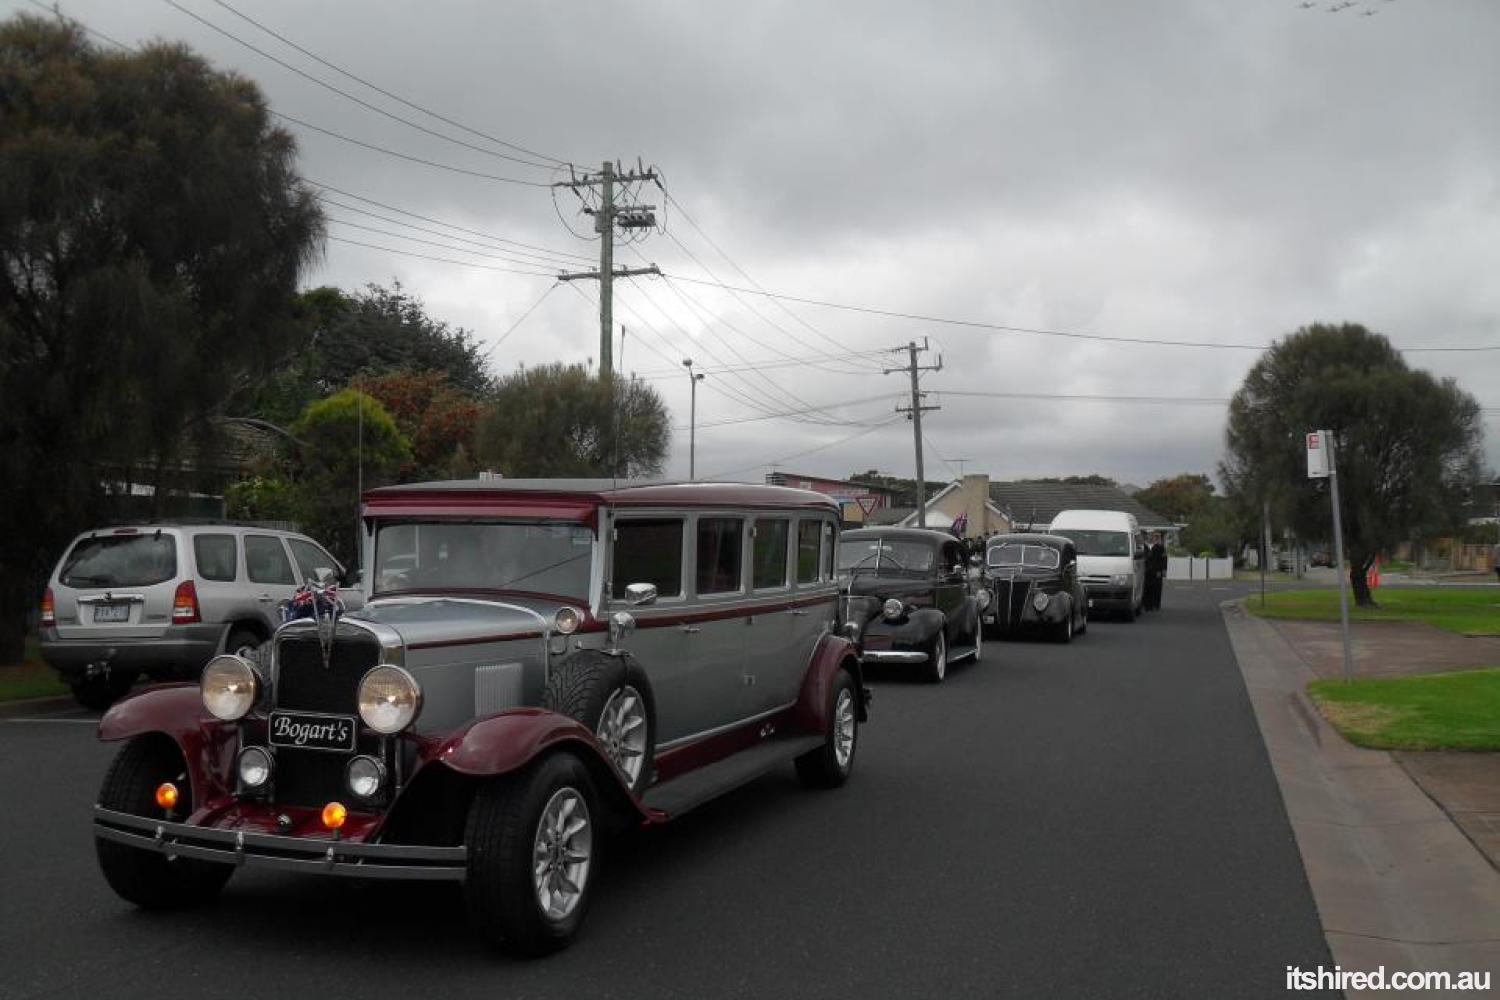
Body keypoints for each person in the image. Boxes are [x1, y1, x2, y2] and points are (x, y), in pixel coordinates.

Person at [1143, 533, 1168, 610]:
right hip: (1147, 571)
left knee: (1157, 588)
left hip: (1157, 571)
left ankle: (1156, 605)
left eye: (1157, 537)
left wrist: (1163, 570)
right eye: (1153, 536)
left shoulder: (1160, 547)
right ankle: (1147, 605)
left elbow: (1164, 559)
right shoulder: (1145, 547)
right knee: (1147, 587)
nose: (1154, 538)